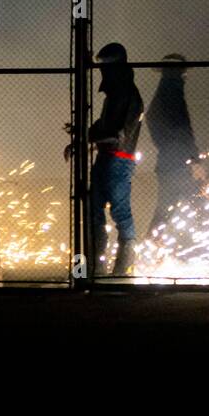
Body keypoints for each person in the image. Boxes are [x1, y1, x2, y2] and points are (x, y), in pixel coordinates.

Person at [79, 42, 143, 276]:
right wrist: (86, 138)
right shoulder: (116, 94)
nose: (104, 71)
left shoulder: (129, 96)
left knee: (120, 212)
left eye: (107, 66)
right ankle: (97, 267)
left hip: (118, 160)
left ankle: (123, 268)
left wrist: (89, 139)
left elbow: (118, 135)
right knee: (94, 211)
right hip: (106, 158)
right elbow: (104, 127)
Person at [146, 54, 206, 234]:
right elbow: (183, 129)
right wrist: (195, 159)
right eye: (182, 72)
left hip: (169, 161)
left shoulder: (163, 94)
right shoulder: (173, 94)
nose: (184, 76)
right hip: (178, 162)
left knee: (167, 208)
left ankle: (153, 244)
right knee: (197, 204)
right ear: (177, 72)